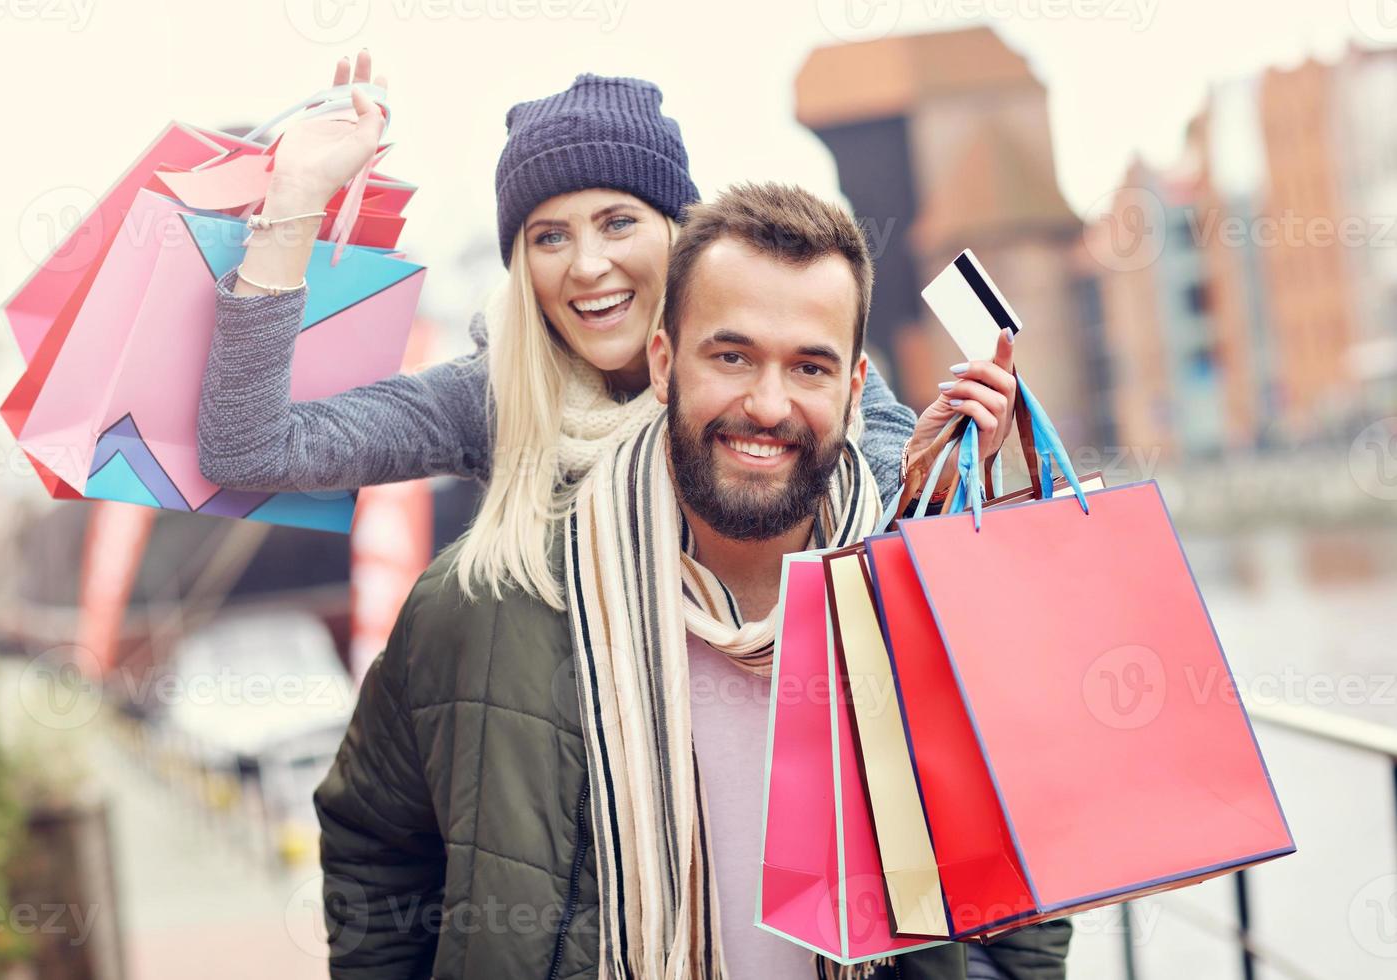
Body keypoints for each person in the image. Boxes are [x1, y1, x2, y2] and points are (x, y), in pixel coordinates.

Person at [314, 182, 1072, 979]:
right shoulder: (486, 603)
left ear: (852, 393)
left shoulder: (918, 594)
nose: (768, 403)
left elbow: (1027, 830)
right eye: (732, 355)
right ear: (665, 362)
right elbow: (374, 847)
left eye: (809, 366)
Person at [197, 53, 919, 613]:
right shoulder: (498, 395)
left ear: (679, 235)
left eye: (618, 222)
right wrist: (294, 204)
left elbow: (911, 513)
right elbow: (249, 447)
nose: (587, 266)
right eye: (549, 237)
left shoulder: (782, 356)